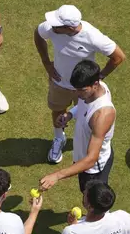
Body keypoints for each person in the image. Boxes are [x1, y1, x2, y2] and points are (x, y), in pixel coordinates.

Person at [34, 5, 125, 164]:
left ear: (69, 28)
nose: (51, 26)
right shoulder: (51, 28)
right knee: (57, 111)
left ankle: (87, 146)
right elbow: (38, 34)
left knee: (87, 118)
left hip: (85, 90)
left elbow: (118, 57)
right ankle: (58, 138)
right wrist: (46, 63)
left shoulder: (92, 36)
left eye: (57, 25)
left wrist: (100, 77)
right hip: (59, 83)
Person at [39, 60, 116, 193]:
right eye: (76, 89)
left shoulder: (102, 115)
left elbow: (91, 159)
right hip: (82, 157)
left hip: (93, 169)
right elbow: (82, 105)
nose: (77, 94)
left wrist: (56, 175)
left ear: (95, 84)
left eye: (81, 90)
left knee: (93, 203)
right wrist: (69, 114)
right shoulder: (93, 89)